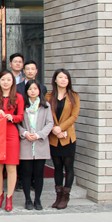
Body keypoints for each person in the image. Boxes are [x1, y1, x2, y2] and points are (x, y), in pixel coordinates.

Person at [0, 70, 24, 212]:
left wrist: (12, 117)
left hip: (11, 132)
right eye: (3, 79)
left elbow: (21, 116)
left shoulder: (18, 97)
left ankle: (9, 197)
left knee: (11, 167)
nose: (5, 82)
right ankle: (0, 195)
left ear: (13, 82)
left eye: (8, 80)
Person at [47, 68, 80, 210]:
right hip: (54, 137)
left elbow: (74, 116)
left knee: (68, 166)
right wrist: (55, 129)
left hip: (68, 137)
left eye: (66, 78)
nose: (63, 80)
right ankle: (58, 196)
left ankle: (65, 196)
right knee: (57, 167)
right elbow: (46, 115)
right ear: (55, 79)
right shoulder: (49, 96)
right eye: (60, 77)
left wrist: (61, 128)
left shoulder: (74, 96)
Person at [18, 80, 54, 211]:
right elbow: (18, 123)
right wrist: (25, 133)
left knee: (39, 174)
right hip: (26, 143)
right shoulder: (22, 105)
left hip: (40, 143)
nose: (32, 91)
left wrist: (39, 134)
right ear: (26, 91)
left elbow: (50, 123)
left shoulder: (45, 106)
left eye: (35, 88)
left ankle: (37, 199)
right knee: (26, 174)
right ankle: (27, 199)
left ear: (39, 90)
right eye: (30, 89)